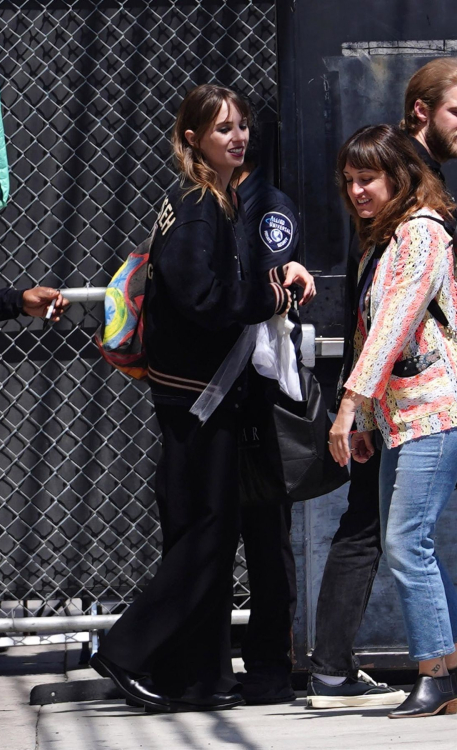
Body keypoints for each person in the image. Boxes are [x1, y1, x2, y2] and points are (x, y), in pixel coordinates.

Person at [89, 83, 297, 713]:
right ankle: (127, 650)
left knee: (203, 529)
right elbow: (201, 298)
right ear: (193, 140)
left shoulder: (208, 199)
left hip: (199, 395)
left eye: (242, 127)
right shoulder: (201, 204)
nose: (238, 138)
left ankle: (196, 677)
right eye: (222, 129)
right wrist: (270, 299)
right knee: (207, 533)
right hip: (198, 399)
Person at [308, 57, 457, 709]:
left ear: (397, 177)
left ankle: (436, 676)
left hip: (435, 410)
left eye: (368, 179)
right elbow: (372, 334)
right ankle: (442, 672)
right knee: (408, 543)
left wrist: (347, 413)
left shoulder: (421, 235)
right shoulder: (386, 240)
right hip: (405, 417)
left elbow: (394, 327)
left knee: (404, 542)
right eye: (349, 181)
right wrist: (368, 422)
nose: (357, 191)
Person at [231, 110, 316, 705]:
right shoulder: (203, 200)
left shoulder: (267, 205)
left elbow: (266, 285)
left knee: (265, 534)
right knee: (211, 532)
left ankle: (266, 668)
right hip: (216, 391)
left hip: (254, 394)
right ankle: (211, 662)